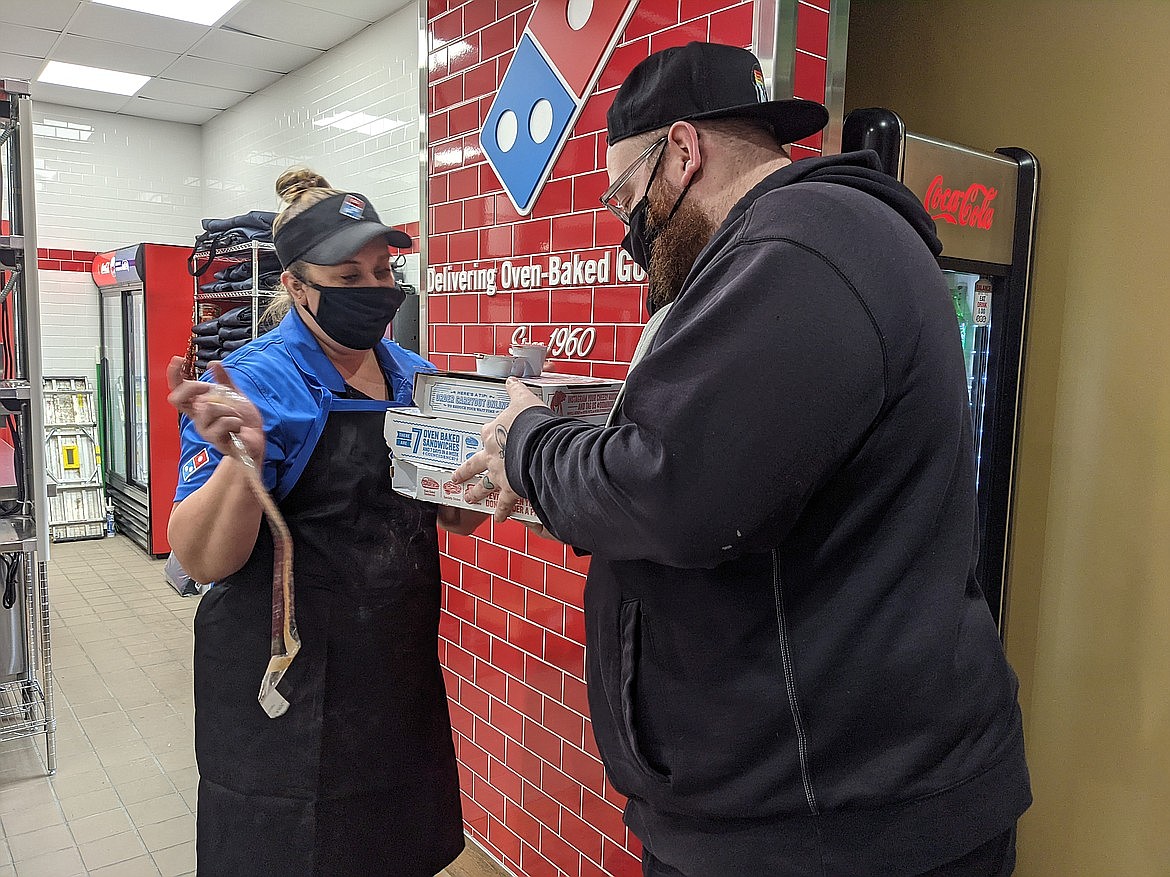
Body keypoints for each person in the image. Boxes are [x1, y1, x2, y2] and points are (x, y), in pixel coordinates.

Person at [454, 42, 1030, 877]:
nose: (628, 233)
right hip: (812, 805)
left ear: (683, 152)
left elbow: (671, 487)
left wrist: (528, 440)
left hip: (832, 829)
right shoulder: (809, 245)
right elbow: (724, 471)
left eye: (626, 195)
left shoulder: (797, 249)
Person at [167, 168, 485, 877]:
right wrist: (241, 458)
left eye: (384, 269)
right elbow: (201, 557)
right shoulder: (252, 381)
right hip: (279, 688)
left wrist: (496, 462)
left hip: (392, 676)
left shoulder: (414, 375)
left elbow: (456, 519)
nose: (376, 287)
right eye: (349, 273)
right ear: (297, 285)